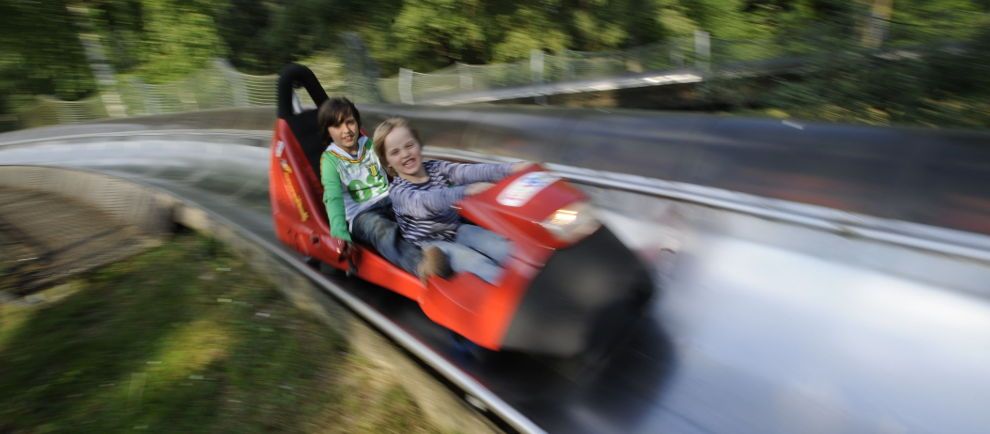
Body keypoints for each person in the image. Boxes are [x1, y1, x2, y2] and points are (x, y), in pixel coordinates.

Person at [372, 117, 528, 285]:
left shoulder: (436, 168)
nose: (405, 154)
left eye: (409, 145)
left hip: (455, 228)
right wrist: (464, 191)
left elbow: (468, 171)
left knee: (501, 247)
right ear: (387, 161)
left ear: (418, 144)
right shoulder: (399, 192)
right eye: (395, 152)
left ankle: (531, 275)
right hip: (432, 245)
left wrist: (510, 169)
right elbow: (424, 203)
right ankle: (512, 294)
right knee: (475, 262)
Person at [317, 97, 447, 284]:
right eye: (337, 126)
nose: (346, 130)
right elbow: (333, 196)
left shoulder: (369, 145)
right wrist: (339, 233)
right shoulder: (330, 160)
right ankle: (421, 265)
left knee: (419, 202)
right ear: (328, 132)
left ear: (357, 121)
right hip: (362, 214)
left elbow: (396, 166)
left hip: (389, 197)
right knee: (381, 228)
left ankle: (449, 234)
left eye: (350, 122)